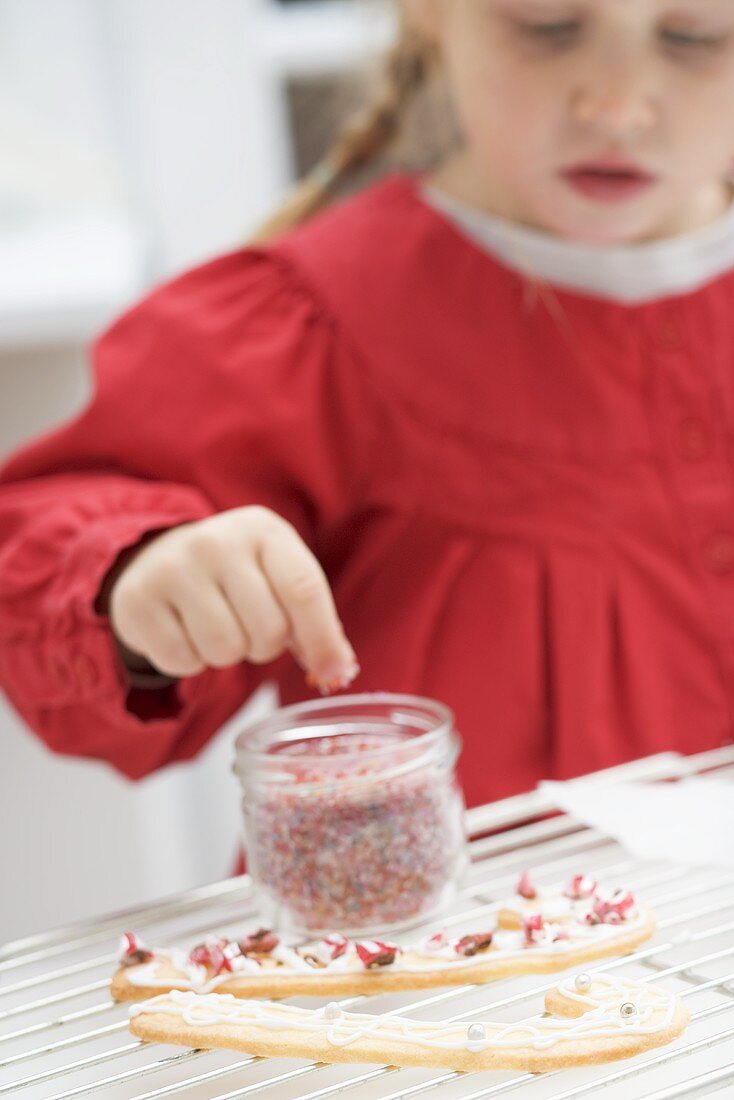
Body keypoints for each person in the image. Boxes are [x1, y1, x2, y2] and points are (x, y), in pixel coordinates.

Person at [2, 0, 734, 811]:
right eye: (547, 26)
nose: (619, 105)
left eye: (693, 37)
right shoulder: (315, 326)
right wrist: (146, 579)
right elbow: (51, 550)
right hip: (438, 925)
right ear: (429, 14)